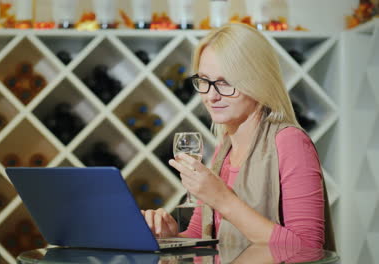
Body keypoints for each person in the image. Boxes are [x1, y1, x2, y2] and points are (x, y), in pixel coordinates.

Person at [142, 23, 335, 250]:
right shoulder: (224, 149)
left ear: (259, 81)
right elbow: (201, 237)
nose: (211, 96)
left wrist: (222, 199)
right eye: (204, 81)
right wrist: (168, 236)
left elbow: (307, 248)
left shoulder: (290, 142)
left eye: (225, 83)